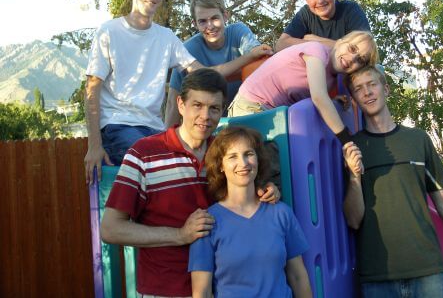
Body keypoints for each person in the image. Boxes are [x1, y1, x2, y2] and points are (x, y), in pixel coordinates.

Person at [84, 0, 272, 184]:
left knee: (198, 168)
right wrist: (94, 146)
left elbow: (205, 73)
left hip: (153, 128)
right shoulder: (109, 31)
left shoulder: (166, 38)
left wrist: (249, 57)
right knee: (157, 170)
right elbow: (91, 89)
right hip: (119, 124)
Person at [100, 69, 280, 297]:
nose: (205, 115)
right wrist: (180, 235)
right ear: (181, 105)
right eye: (197, 105)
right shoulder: (144, 154)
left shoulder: (226, 153)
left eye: (214, 108)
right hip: (165, 290)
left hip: (224, 287)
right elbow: (110, 229)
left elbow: (243, 202)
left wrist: (265, 193)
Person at [342, 65, 443, 297]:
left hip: (429, 274)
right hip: (378, 278)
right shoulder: (353, 148)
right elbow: (353, 220)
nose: (367, 92)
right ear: (354, 99)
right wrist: (354, 176)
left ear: (386, 89)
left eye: (372, 84)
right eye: (358, 89)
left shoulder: (418, 139)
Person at [189, 126, 312, 298]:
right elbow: (201, 292)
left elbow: (298, 277)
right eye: (233, 156)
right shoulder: (208, 222)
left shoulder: (281, 213)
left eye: (249, 154)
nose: (244, 163)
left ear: (258, 159)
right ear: (221, 166)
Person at [228, 30, 378, 149]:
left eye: (360, 60)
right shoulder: (316, 50)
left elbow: (312, 96)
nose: (352, 58)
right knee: (268, 164)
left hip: (273, 114)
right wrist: (347, 141)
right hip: (251, 106)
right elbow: (318, 97)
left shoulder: (331, 79)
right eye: (352, 49)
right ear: (339, 42)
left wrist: (331, 101)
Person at [165, 0, 272, 128]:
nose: (210, 26)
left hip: (248, 117)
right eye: (202, 21)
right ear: (195, 23)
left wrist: (247, 62)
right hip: (207, 125)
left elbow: (261, 62)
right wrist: (166, 141)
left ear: (225, 16)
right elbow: (173, 103)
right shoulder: (187, 50)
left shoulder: (238, 31)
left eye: (214, 18)